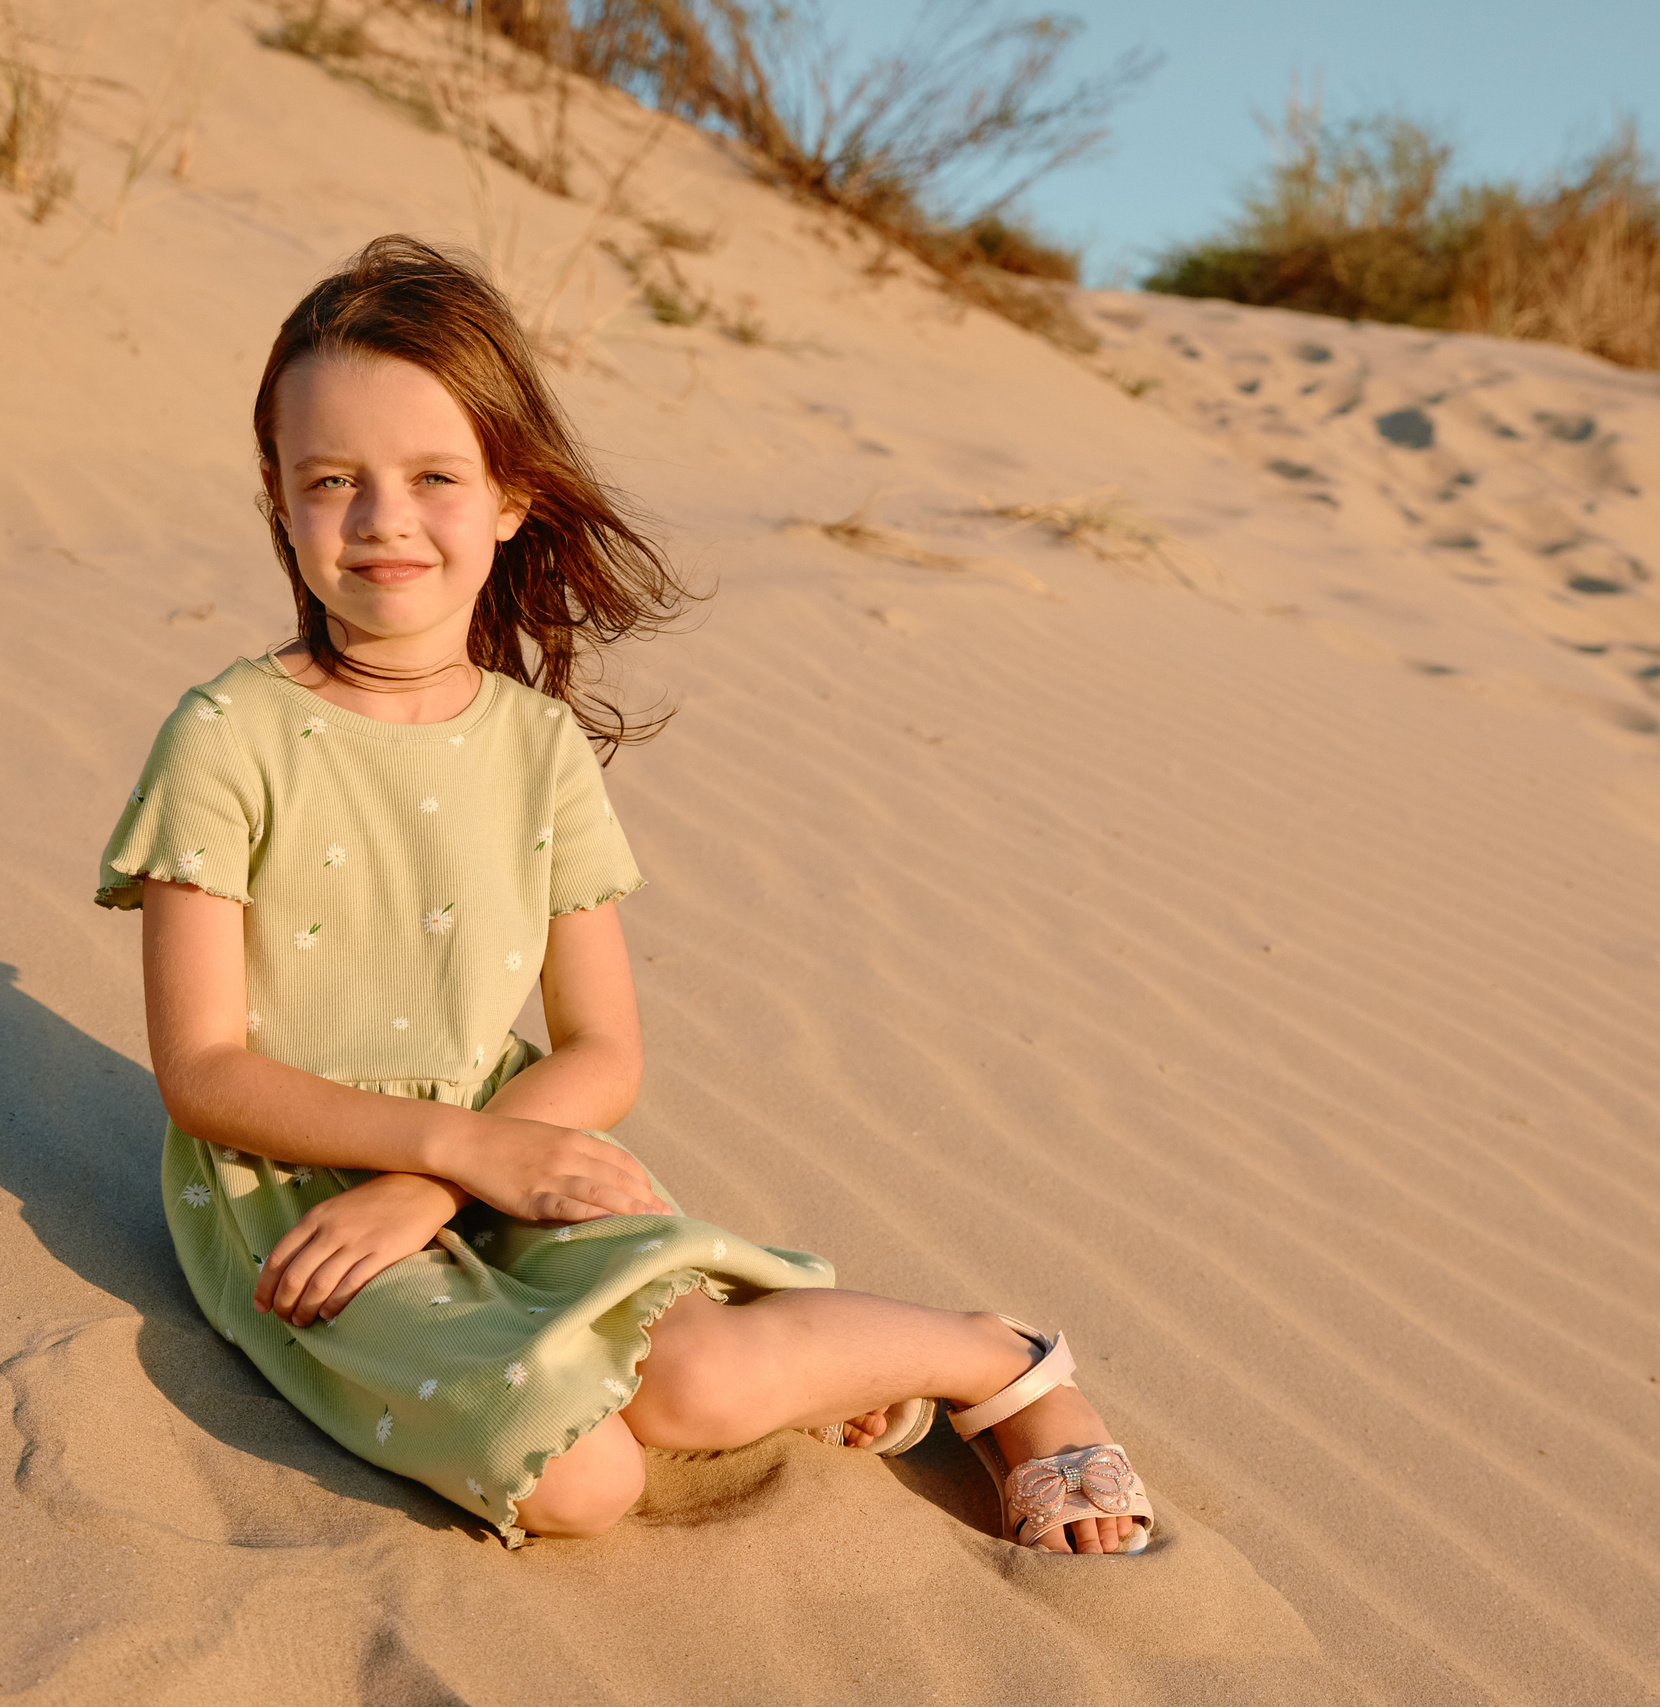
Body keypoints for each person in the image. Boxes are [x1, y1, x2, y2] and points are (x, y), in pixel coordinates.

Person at [99, 234, 1155, 1554]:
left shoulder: (535, 749)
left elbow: (601, 1049)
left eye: (435, 476)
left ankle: (994, 1360)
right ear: (277, 495)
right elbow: (200, 1071)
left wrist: (455, 1169)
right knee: (585, 1482)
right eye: (332, 480)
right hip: (292, 1196)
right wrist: (433, 1166)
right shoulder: (227, 732)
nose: (381, 520)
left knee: (701, 1380)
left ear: (509, 495)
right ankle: (827, 1372)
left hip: (515, 1143)